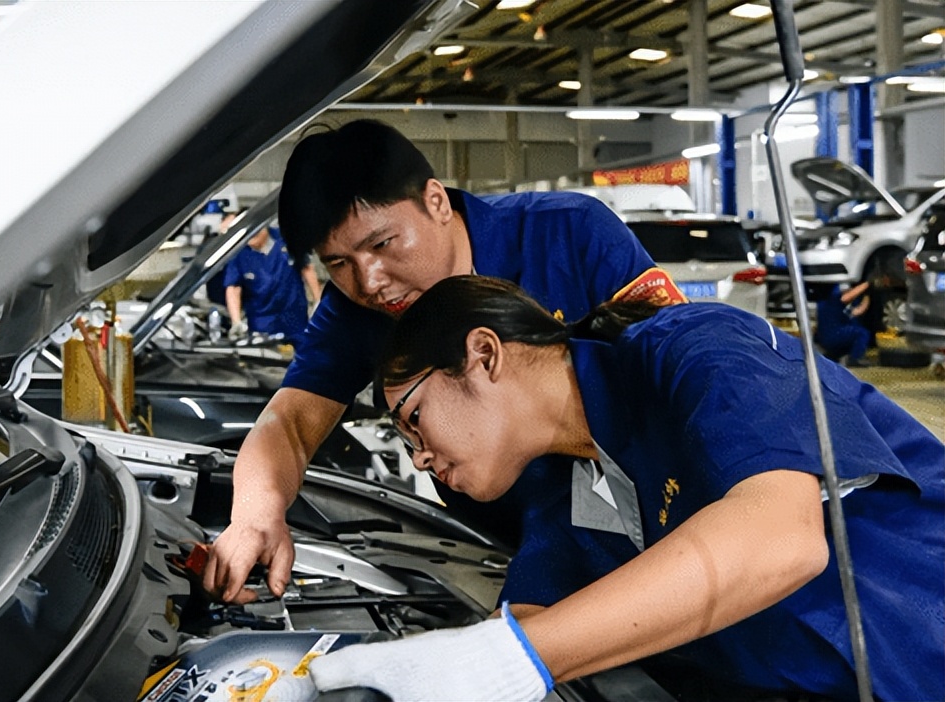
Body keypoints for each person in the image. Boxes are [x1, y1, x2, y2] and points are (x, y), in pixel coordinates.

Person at [307, 275, 943, 702]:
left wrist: (505, 658)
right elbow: (530, 622)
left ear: (484, 355)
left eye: (414, 418)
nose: (419, 457)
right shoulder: (567, 499)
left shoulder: (698, 349)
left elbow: (779, 542)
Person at [202, 119, 686, 604]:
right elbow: (290, 422)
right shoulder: (355, 313)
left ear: (435, 201)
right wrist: (254, 514)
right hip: (516, 546)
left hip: (661, 519)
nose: (369, 282)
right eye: (338, 263)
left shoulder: (566, 232)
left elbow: (674, 372)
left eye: (382, 244)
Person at [222, 223, 321, 341]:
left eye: (255, 234)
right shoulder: (238, 253)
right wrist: (236, 321)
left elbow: (306, 268)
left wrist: (318, 300)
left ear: (264, 229)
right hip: (261, 320)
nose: (252, 239)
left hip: (294, 316)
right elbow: (233, 287)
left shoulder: (287, 238)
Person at [815, 280, 872, 367]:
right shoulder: (834, 297)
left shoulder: (824, 301)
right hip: (833, 334)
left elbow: (857, 311)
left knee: (853, 327)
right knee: (862, 333)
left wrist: (866, 296)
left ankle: (832, 356)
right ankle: (855, 359)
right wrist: (868, 284)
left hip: (824, 337)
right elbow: (846, 298)